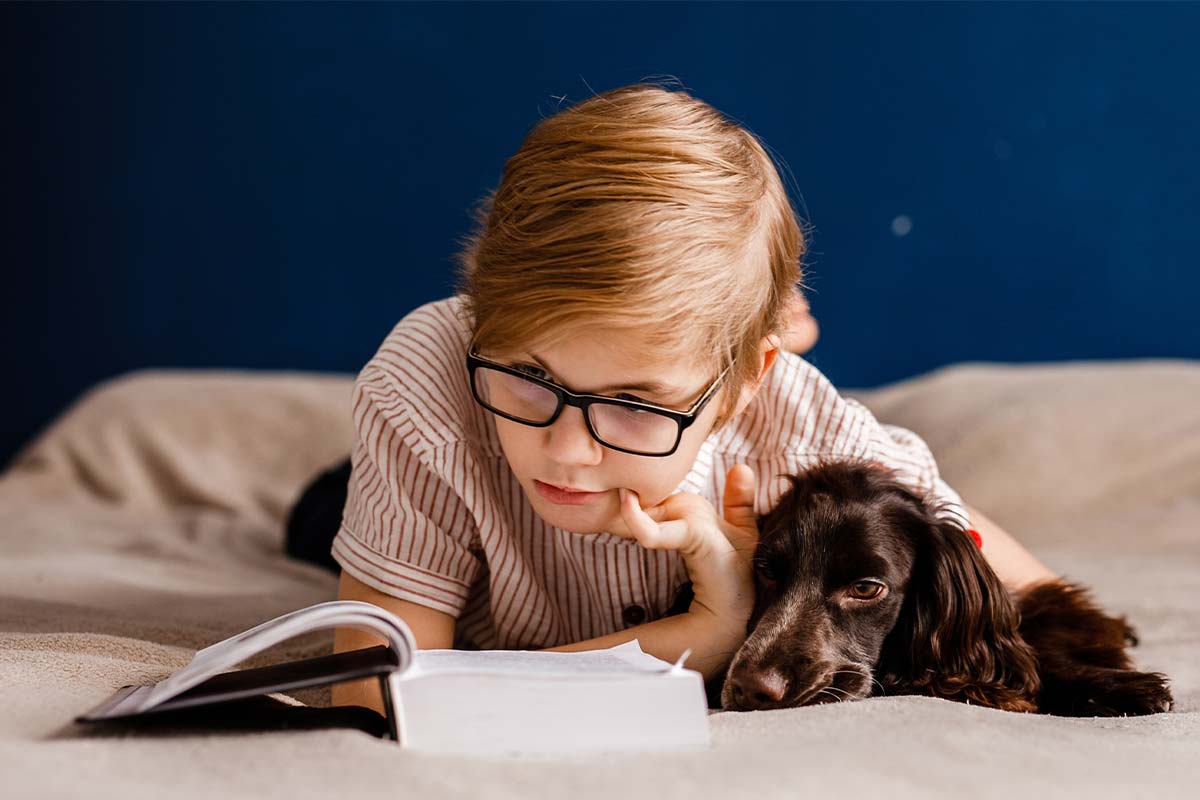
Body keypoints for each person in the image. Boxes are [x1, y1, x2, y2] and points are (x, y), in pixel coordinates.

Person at [298, 81, 1057, 716]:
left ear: (744, 385)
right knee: (313, 518)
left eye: (635, 403)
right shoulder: (429, 383)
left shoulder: (814, 441)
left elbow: (1037, 598)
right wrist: (705, 632)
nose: (567, 452)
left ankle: (770, 326)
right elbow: (381, 699)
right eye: (528, 376)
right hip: (430, 489)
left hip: (771, 402)